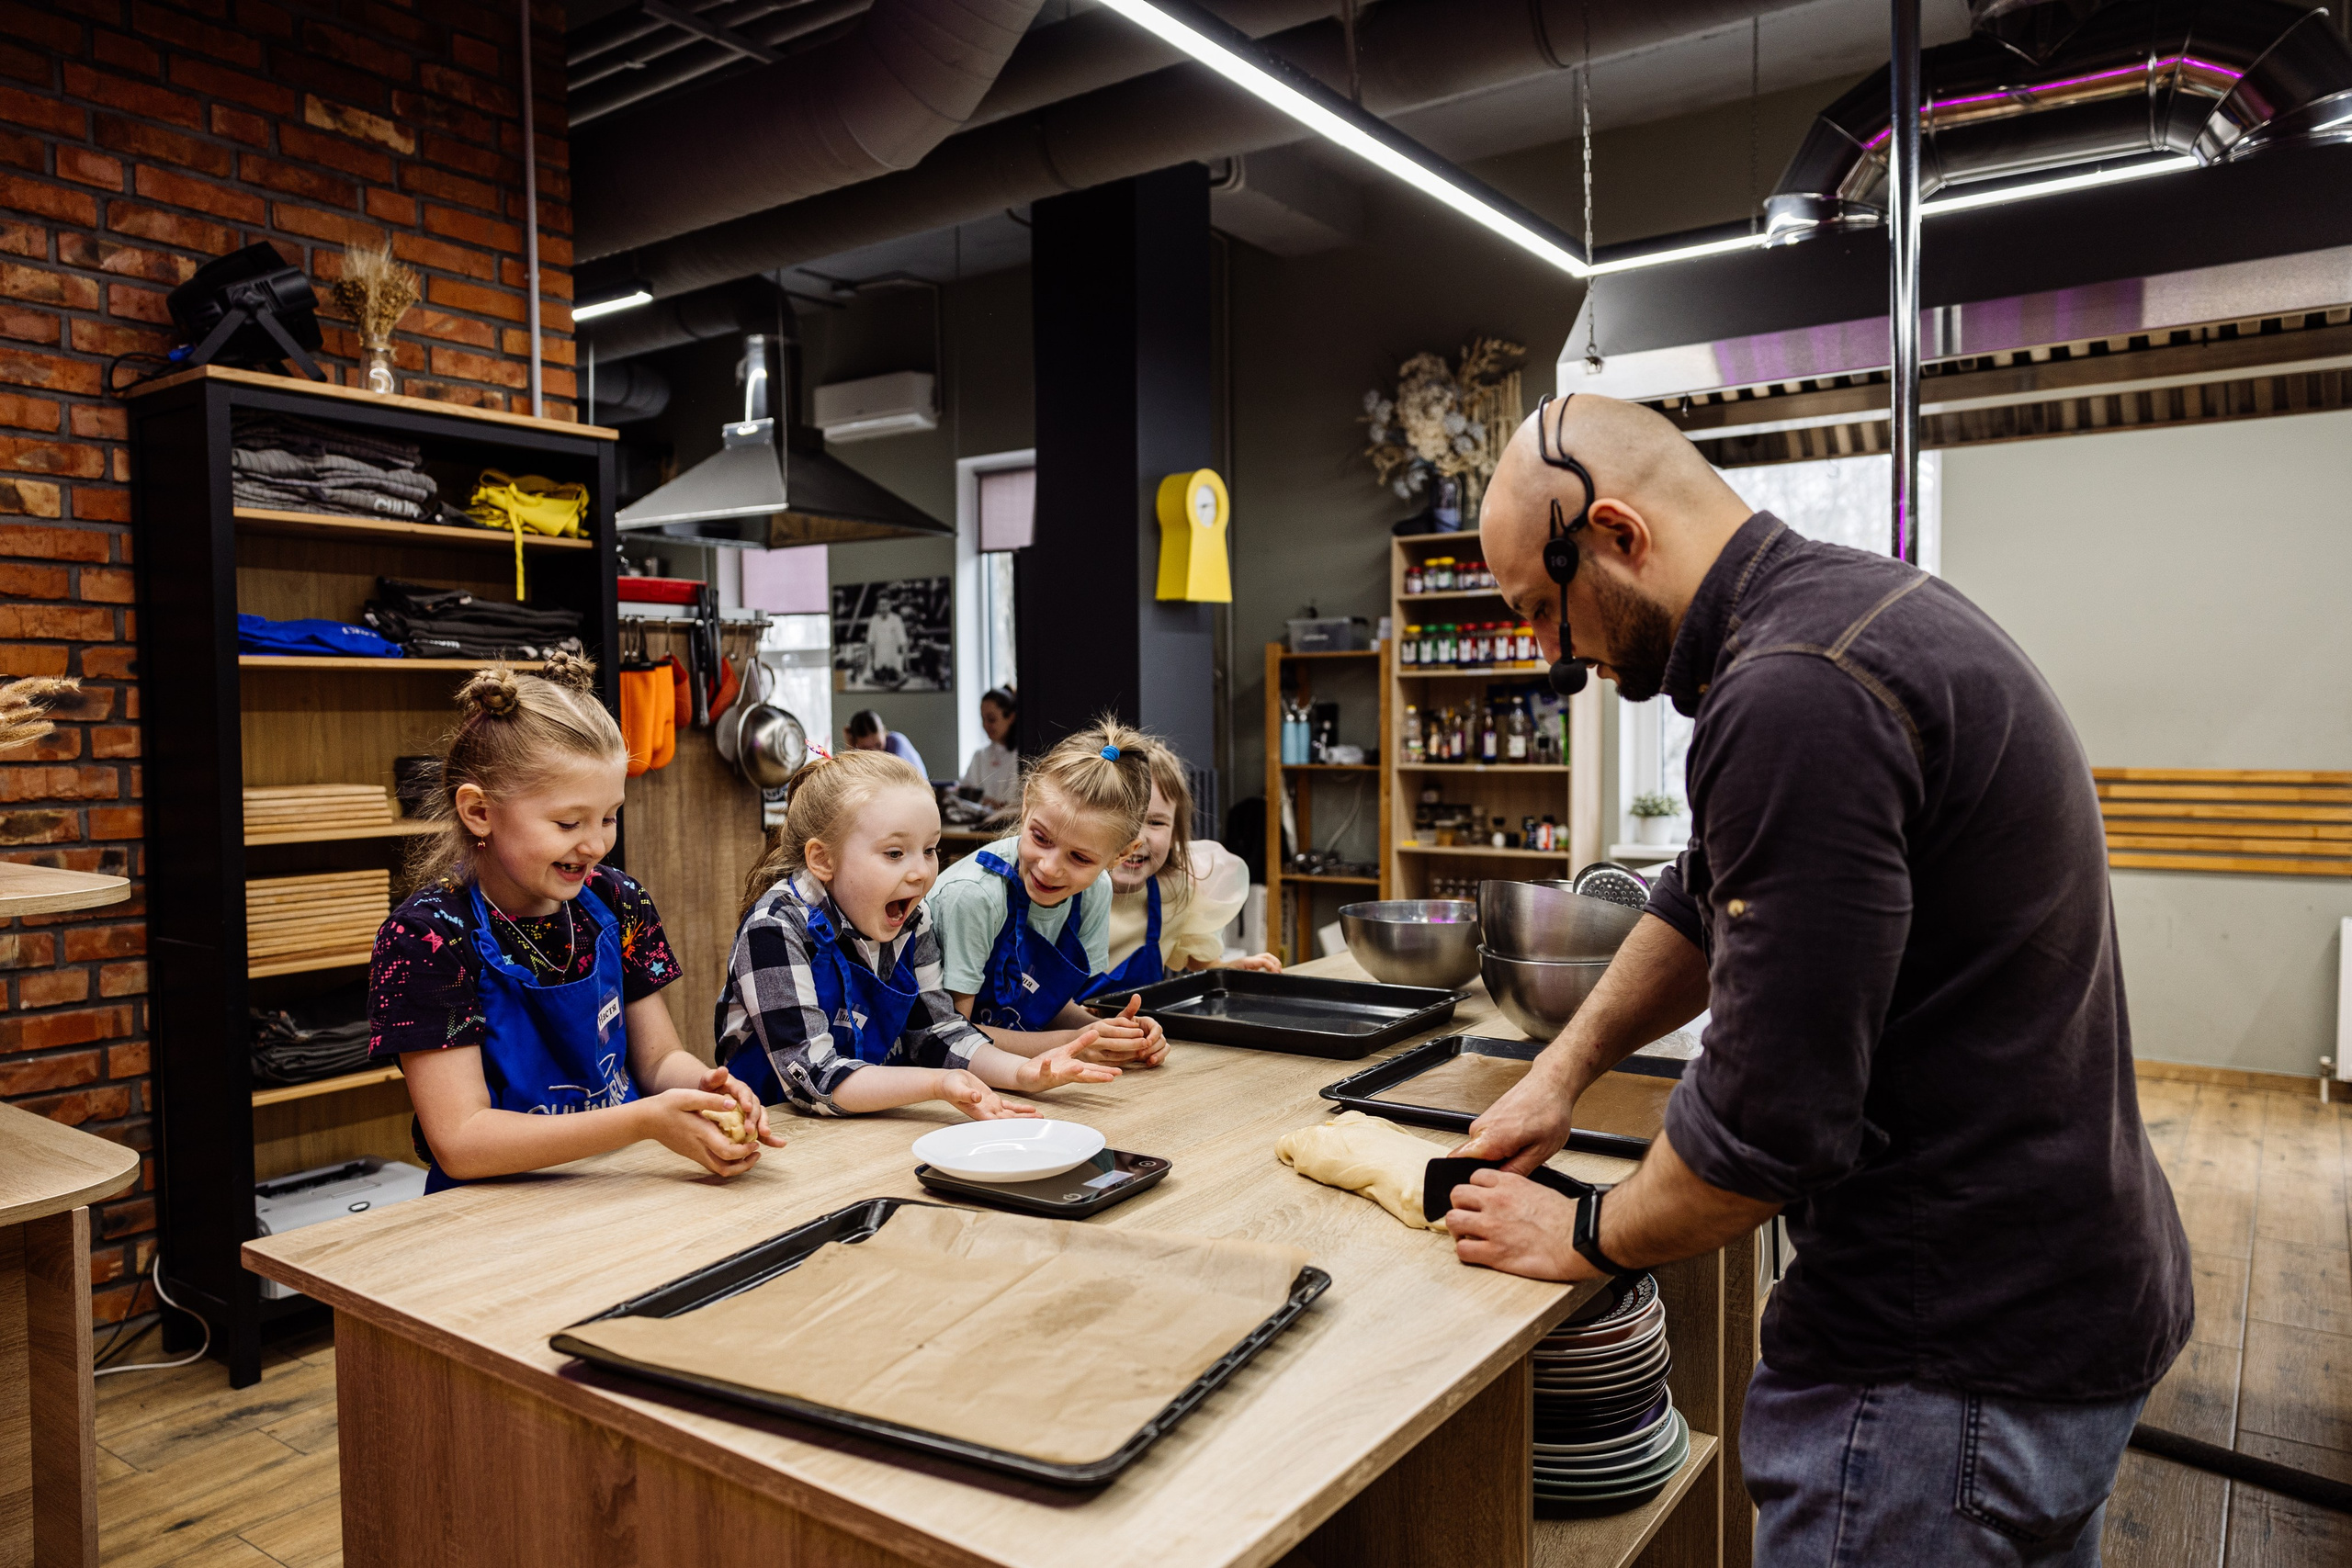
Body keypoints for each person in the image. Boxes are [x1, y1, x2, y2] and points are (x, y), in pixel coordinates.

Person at [1442, 393, 2190, 1566]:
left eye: (1545, 610)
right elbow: (1699, 893)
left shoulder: (1793, 690)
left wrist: (1584, 1232)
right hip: (2057, 1295)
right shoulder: (1852, 609)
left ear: (1619, 535)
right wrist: (1561, 1070)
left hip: (1940, 1371)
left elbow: (1762, 1138)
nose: (1554, 658)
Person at [368, 656, 782, 1191]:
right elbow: (462, 1141)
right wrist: (643, 1120)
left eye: (609, 817)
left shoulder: (617, 900)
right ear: (479, 812)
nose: (595, 845)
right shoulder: (426, 937)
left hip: (621, 1184)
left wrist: (704, 1088)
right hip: (485, 1213)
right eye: (568, 823)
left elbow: (657, 1061)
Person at [714, 748, 1121, 1119]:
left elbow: (941, 1033)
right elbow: (815, 1076)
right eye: (895, 853)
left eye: (930, 850)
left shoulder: (912, 919)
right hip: (773, 1131)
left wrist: (1025, 1073)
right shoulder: (775, 928)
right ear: (823, 859)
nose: (922, 872)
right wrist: (935, 1083)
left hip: (869, 1127)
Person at [923, 716, 1169, 1067]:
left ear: (1121, 855)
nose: (1050, 868)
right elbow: (952, 1036)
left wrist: (1112, 1035)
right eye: (1041, 838)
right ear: (1026, 805)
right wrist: (1073, 1043)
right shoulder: (976, 896)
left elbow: (1046, 1006)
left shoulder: (1094, 891)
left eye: (1080, 857)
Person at [1084, 738, 1280, 997]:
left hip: (1140, 1036)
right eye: (1125, 818)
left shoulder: (1176, 891)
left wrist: (1229, 970)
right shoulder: (1066, 889)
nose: (1138, 838)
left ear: (1176, 833)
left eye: (1156, 822)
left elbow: (1196, 959)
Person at [958, 686, 1021, 813]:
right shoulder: (979, 755)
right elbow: (965, 792)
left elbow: (1016, 805)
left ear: (1011, 718)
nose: (986, 725)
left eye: (991, 719)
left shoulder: (1020, 755)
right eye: (983, 719)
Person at [845, 708, 926, 779]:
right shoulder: (856, 748)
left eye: (878, 745)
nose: (875, 753)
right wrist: (850, 746)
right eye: (866, 749)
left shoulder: (896, 742)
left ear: (884, 732)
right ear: (855, 743)